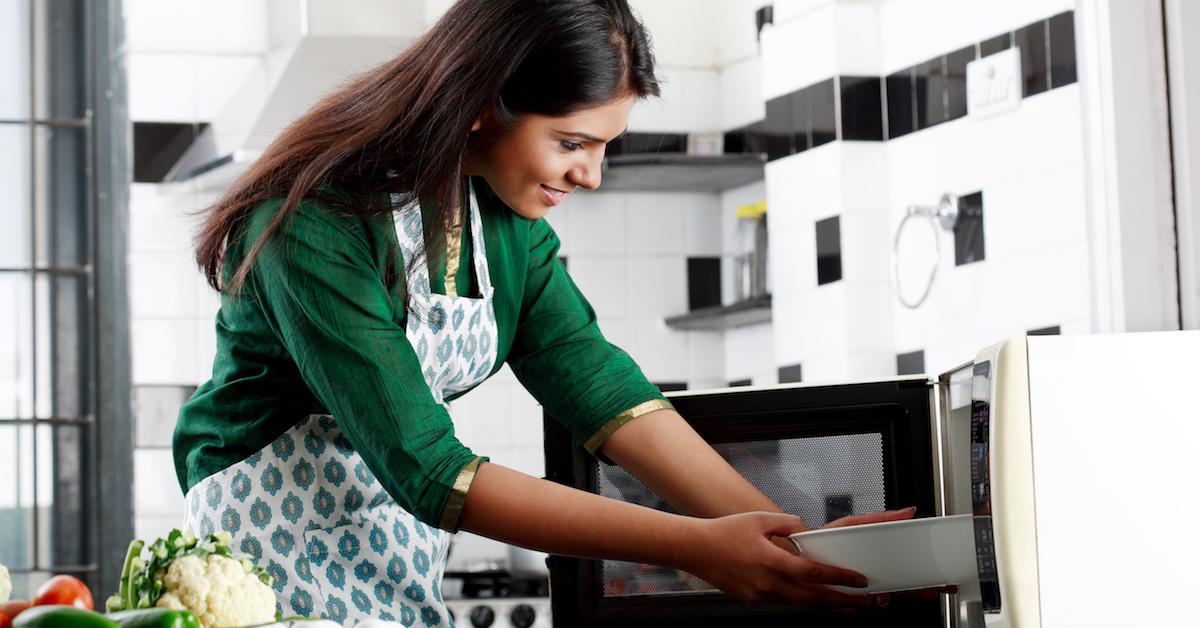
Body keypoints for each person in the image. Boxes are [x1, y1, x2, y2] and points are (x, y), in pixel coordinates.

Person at [174, 0, 916, 625]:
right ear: (481, 105)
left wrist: (793, 546)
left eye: (602, 148)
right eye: (572, 143)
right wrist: (698, 546)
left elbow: (601, 389)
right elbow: (428, 468)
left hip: (393, 552)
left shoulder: (502, 225)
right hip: (262, 568)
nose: (590, 175)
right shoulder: (310, 224)